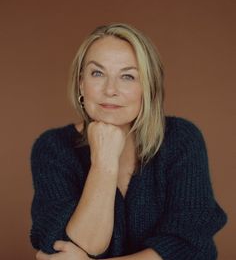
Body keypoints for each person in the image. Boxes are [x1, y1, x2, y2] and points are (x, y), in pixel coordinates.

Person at [30, 23, 227, 260]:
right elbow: (62, 246)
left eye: (127, 76)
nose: (110, 90)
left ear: (148, 88)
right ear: (81, 82)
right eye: (97, 73)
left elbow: (188, 247)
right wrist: (104, 163)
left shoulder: (181, 139)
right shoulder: (53, 147)